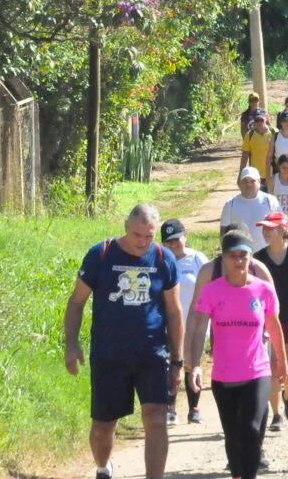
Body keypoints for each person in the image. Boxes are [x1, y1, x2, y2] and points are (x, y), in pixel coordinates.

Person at [63, 204, 183, 479]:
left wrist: (177, 361)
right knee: (103, 427)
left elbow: (174, 312)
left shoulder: (164, 259)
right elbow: (77, 302)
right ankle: (103, 466)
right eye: (136, 234)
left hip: (152, 352)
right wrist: (72, 344)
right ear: (125, 226)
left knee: (155, 417)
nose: (142, 242)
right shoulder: (101, 255)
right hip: (109, 354)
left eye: (149, 236)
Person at [187, 230, 287, 479]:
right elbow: (200, 328)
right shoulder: (212, 291)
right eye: (233, 256)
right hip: (224, 377)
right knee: (233, 436)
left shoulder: (263, 290)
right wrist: (195, 365)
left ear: (251, 257)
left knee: (252, 430)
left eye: (244, 256)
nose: (239, 261)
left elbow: (274, 326)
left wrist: (282, 361)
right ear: (223, 258)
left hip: (257, 372)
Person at [254, 212, 288, 432]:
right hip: (267, 318)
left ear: (283, 230)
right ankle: (276, 414)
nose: (266, 232)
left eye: (271, 228)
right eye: (264, 228)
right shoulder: (258, 258)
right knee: (274, 366)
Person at [161, 219, 209, 426]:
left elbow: (210, 289)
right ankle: (170, 407)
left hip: (195, 321)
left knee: (191, 362)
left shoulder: (198, 259)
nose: (172, 245)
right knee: (170, 363)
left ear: (185, 237)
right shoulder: (161, 261)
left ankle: (194, 408)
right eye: (167, 242)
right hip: (169, 322)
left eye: (176, 240)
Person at [220, 167, 281, 253]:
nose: (249, 185)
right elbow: (223, 233)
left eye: (252, 181)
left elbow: (280, 227)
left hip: (267, 255)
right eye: (245, 181)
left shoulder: (270, 201)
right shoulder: (230, 204)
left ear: (259, 182)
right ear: (240, 184)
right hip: (240, 255)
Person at [239, 109, 274, 189]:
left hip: (272, 174)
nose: (259, 123)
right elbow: (245, 156)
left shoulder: (274, 133)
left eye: (261, 120)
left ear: (266, 120)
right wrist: (240, 175)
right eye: (256, 120)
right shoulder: (249, 135)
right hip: (255, 175)